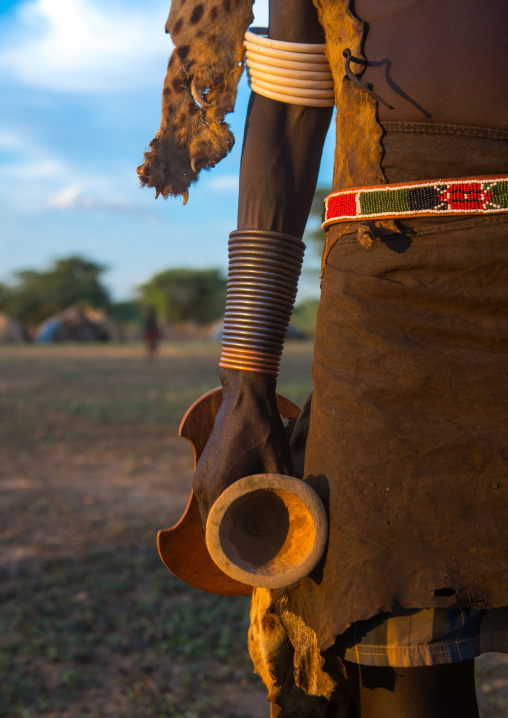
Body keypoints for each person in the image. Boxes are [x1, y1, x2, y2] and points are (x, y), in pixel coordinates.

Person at [139, 1, 508, 715]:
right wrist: (244, 383)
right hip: (391, 311)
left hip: (387, 292)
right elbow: (286, 113)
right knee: (394, 647)